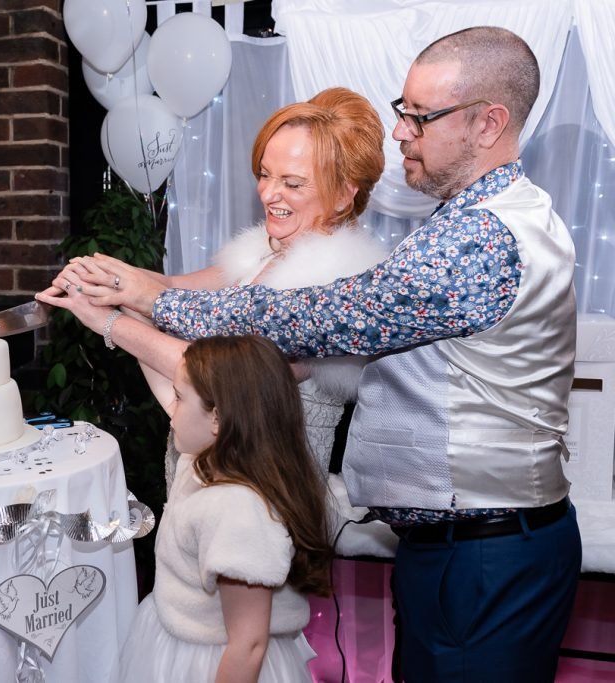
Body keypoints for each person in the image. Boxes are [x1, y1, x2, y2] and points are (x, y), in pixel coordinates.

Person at [56, 26, 581, 682]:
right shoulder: (475, 222)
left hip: (480, 552)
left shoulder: (476, 239)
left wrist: (125, 312)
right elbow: (206, 292)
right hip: (463, 545)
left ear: (487, 123)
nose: (401, 131)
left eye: (420, 116)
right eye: (403, 111)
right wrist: (128, 286)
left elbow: (295, 325)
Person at [43, 87, 388, 487]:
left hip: (265, 491)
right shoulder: (262, 253)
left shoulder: (332, 288)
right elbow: (170, 288)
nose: (268, 193)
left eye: (292, 183)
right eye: (264, 174)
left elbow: (223, 375)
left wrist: (107, 321)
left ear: (344, 195)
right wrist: (101, 274)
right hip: (207, 472)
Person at [114, 335, 333, 683]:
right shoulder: (205, 456)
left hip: (215, 663)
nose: (172, 408)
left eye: (180, 398)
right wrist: (116, 316)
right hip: (182, 637)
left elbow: (249, 644)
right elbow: (166, 385)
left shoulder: (238, 510)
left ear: (217, 418)